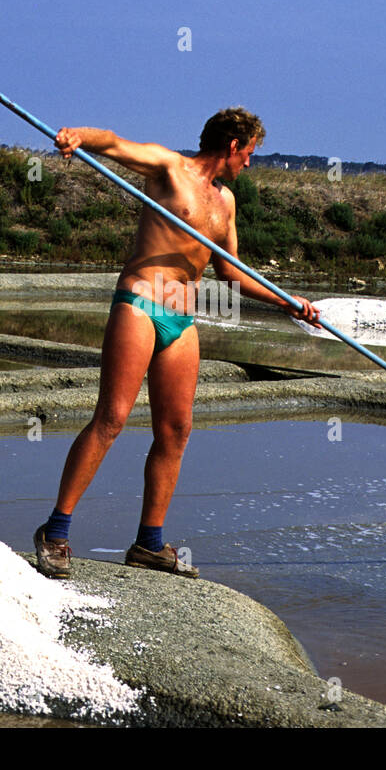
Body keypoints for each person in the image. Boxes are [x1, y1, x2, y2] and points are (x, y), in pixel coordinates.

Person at [33, 107, 320, 579]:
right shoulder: (169, 168)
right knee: (112, 419)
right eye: (249, 154)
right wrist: (76, 137)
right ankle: (55, 531)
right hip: (141, 302)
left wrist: (288, 302)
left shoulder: (225, 203)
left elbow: (231, 273)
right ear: (233, 146)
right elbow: (113, 142)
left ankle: (149, 543)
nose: (249, 164)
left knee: (176, 431)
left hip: (181, 318)